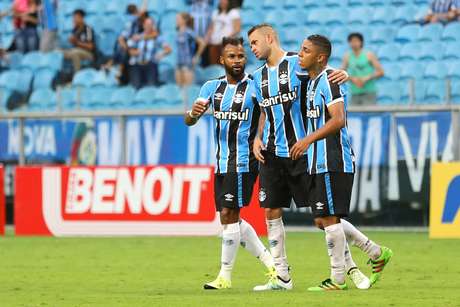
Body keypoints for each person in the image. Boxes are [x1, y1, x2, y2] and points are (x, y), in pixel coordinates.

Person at [247, 24, 369, 291]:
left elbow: (324, 74)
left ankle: (354, 266)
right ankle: (282, 277)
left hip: (302, 152)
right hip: (271, 154)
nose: (252, 48)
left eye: (255, 42)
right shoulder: (256, 76)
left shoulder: (297, 64)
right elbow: (265, 110)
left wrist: (343, 73)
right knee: (271, 210)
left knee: (322, 218)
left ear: (270, 38)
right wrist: (257, 137)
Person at [292, 34, 393, 291]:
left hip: (333, 159)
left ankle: (337, 279)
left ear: (320, 57)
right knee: (322, 220)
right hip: (318, 161)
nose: (300, 54)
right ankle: (375, 252)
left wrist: (306, 140)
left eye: (305, 50)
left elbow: (338, 120)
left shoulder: (330, 81)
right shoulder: (312, 81)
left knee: (329, 219)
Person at [184, 37, 276, 290]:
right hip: (222, 162)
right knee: (228, 220)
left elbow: (268, 114)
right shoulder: (211, 87)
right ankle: (273, 265)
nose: (237, 61)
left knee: (228, 214)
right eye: (232, 57)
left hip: (245, 160)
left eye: (241, 56)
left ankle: (225, 276)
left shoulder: (255, 86)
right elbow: (189, 121)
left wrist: (258, 137)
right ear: (221, 60)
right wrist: (192, 114)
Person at [127, 17, 171, 88]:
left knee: (151, 86)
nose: (148, 26)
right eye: (147, 24)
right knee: (135, 86)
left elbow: (168, 49)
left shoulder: (157, 37)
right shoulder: (137, 37)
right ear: (143, 25)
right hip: (137, 64)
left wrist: (161, 53)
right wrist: (134, 52)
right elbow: (130, 50)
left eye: (150, 24)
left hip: (150, 64)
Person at [341, 33, 384, 106]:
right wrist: (352, 79)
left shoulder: (369, 55)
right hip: (355, 92)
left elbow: (381, 72)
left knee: (369, 114)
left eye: (356, 41)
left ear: (361, 42)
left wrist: (366, 78)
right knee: (355, 115)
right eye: (352, 41)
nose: (354, 43)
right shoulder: (347, 56)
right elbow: (341, 73)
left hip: (369, 92)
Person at [205, 0, 240, 65]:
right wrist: (207, 37)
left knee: (226, 64)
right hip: (214, 43)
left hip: (227, 44)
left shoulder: (233, 12)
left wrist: (226, 39)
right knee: (214, 64)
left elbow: (237, 29)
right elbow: (211, 28)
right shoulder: (215, 13)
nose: (222, 1)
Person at [175, 12, 205, 87]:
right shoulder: (178, 32)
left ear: (184, 21)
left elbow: (202, 43)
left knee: (187, 88)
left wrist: (196, 56)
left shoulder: (189, 32)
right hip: (179, 62)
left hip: (187, 63)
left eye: (178, 19)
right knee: (180, 88)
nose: (176, 21)